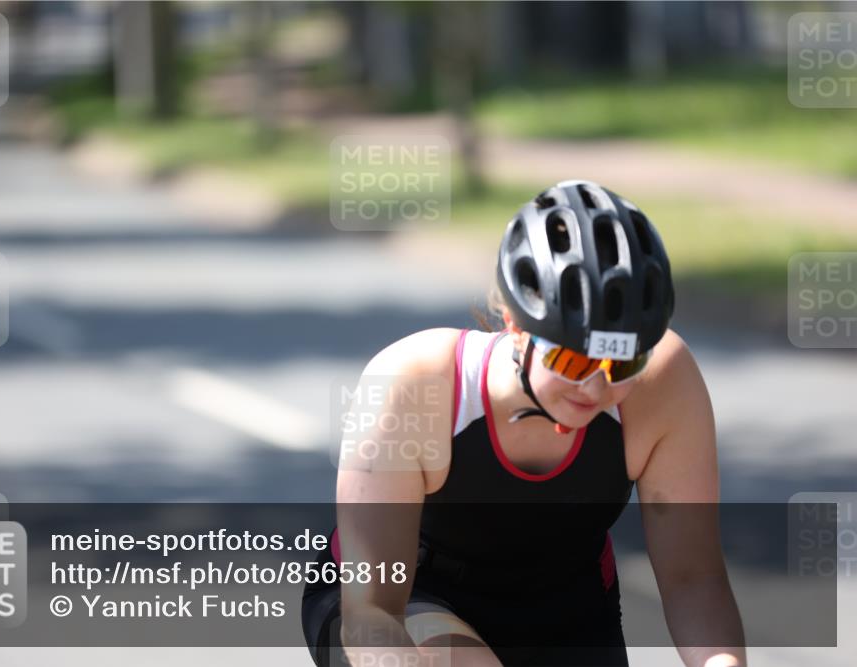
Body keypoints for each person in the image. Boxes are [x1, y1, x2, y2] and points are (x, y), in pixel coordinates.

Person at [302, 180, 746, 667]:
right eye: (574, 365)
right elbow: (372, 613)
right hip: (406, 598)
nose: (596, 390)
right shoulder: (415, 383)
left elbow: (693, 577)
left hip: (565, 607)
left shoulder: (664, 382)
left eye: (621, 366)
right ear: (514, 323)